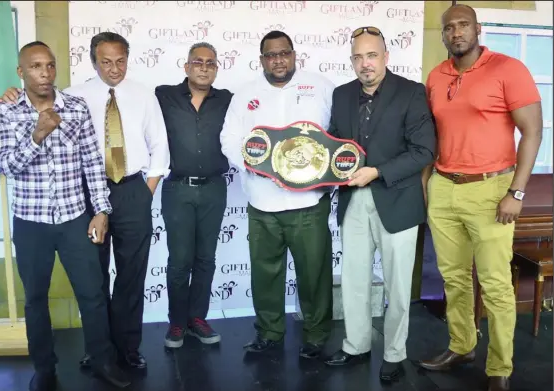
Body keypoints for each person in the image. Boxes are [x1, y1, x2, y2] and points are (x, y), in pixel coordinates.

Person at [0, 32, 170, 370]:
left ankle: (128, 348)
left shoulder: (143, 94)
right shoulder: (73, 96)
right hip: (87, 196)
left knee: (131, 277)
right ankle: (99, 348)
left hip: (133, 187)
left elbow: (159, 145)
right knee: (94, 280)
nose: (114, 68)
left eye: (120, 60)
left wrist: (143, 193)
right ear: (93, 62)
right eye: (105, 61)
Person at [418, 5, 543, 391]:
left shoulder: (508, 69)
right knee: (454, 279)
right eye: (449, 27)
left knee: (495, 283)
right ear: (443, 35)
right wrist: (428, 186)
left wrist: (516, 192)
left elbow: (533, 132)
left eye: (463, 25)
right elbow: (432, 133)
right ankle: (462, 345)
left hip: (492, 189)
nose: (456, 32)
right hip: (443, 186)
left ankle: (499, 367)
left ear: (477, 29)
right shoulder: (436, 76)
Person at [0, 41, 130, 391]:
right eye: (36, 66)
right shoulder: (6, 111)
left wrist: (100, 211)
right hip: (31, 222)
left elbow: (91, 162)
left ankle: (103, 362)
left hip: (74, 218)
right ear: (21, 72)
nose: (45, 73)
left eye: (50, 65)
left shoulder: (76, 106)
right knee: (36, 300)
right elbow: (7, 165)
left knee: (93, 293)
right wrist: (37, 135)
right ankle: (45, 368)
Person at [321, 27, 436, 382]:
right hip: (353, 200)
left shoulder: (412, 93)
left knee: (398, 286)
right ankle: (356, 345)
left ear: (386, 56)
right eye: (357, 57)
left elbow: (423, 150)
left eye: (371, 55)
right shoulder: (340, 95)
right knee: (354, 278)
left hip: (398, 200)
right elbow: (335, 147)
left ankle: (394, 353)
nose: (364, 63)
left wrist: (376, 172)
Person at [220, 30, 335, 358]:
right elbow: (230, 138)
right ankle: (269, 332)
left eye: (284, 53)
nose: (278, 60)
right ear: (262, 60)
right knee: (265, 273)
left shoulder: (321, 87)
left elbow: (336, 133)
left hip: (309, 203)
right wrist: (250, 165)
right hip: (262, 201)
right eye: (271, 55)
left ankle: (315, 334)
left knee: (314, 273)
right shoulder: (245, 94)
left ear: (294, 54)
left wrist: (331, 172)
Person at [154, 42, 232, 349]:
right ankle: (176, 321)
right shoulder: (164, 96)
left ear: (216, 68)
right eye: (197, 62)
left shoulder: (228, 100)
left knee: (205, 259)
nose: (203, 67)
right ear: (186, 67)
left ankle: (197, 318)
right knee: (179, 260)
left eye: (210, 63)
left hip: (214, 188)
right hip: (177, 188)